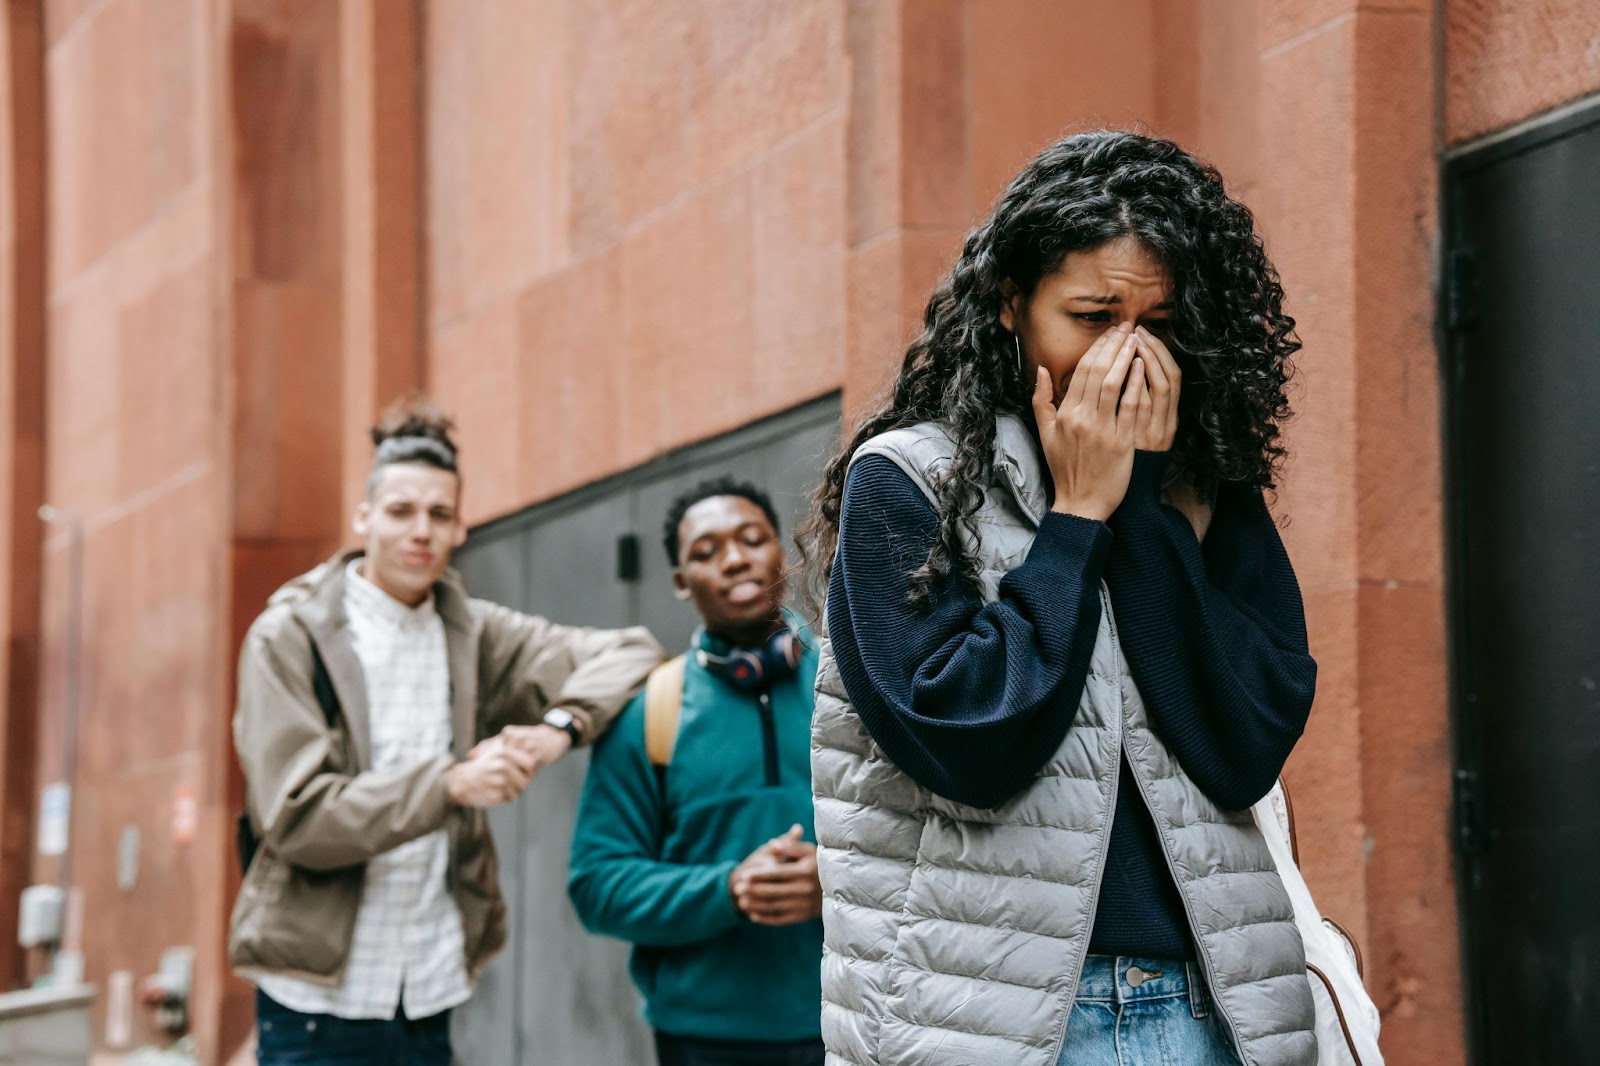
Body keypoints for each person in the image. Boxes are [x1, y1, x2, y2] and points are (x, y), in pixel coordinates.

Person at [799, 130, 1320, 1066]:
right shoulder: (910, 481)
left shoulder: (1204, 487)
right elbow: (969, 743)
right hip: (991, 1021)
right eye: (1092, 315)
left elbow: (1244, 745)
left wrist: (1147, 507)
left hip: (1210, 1003)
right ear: (1012, 306)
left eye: (1159, 325)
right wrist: (1078, 520)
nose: (1126, 355)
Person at [229, 401, 664, 1066]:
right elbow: (297, 818)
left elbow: (632, 651)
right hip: (319, 1005)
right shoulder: (289, 638)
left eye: (440, 514)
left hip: (430, 989)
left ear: (461, 525)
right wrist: (452, 784)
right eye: (401, 511)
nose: (421, 531)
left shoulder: (472, 633)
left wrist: (556, 730)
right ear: (364, 517)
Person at [568, 478, 825, 1066]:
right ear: (682, 582)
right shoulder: (649, 712)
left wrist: (837, 880)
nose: (735, 559)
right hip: (702, 1041)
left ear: (781, 553)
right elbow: (597, 884)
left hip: (852, 1017)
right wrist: (727, 889)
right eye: (707, 552)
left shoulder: (848, 683)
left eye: (751, 539)